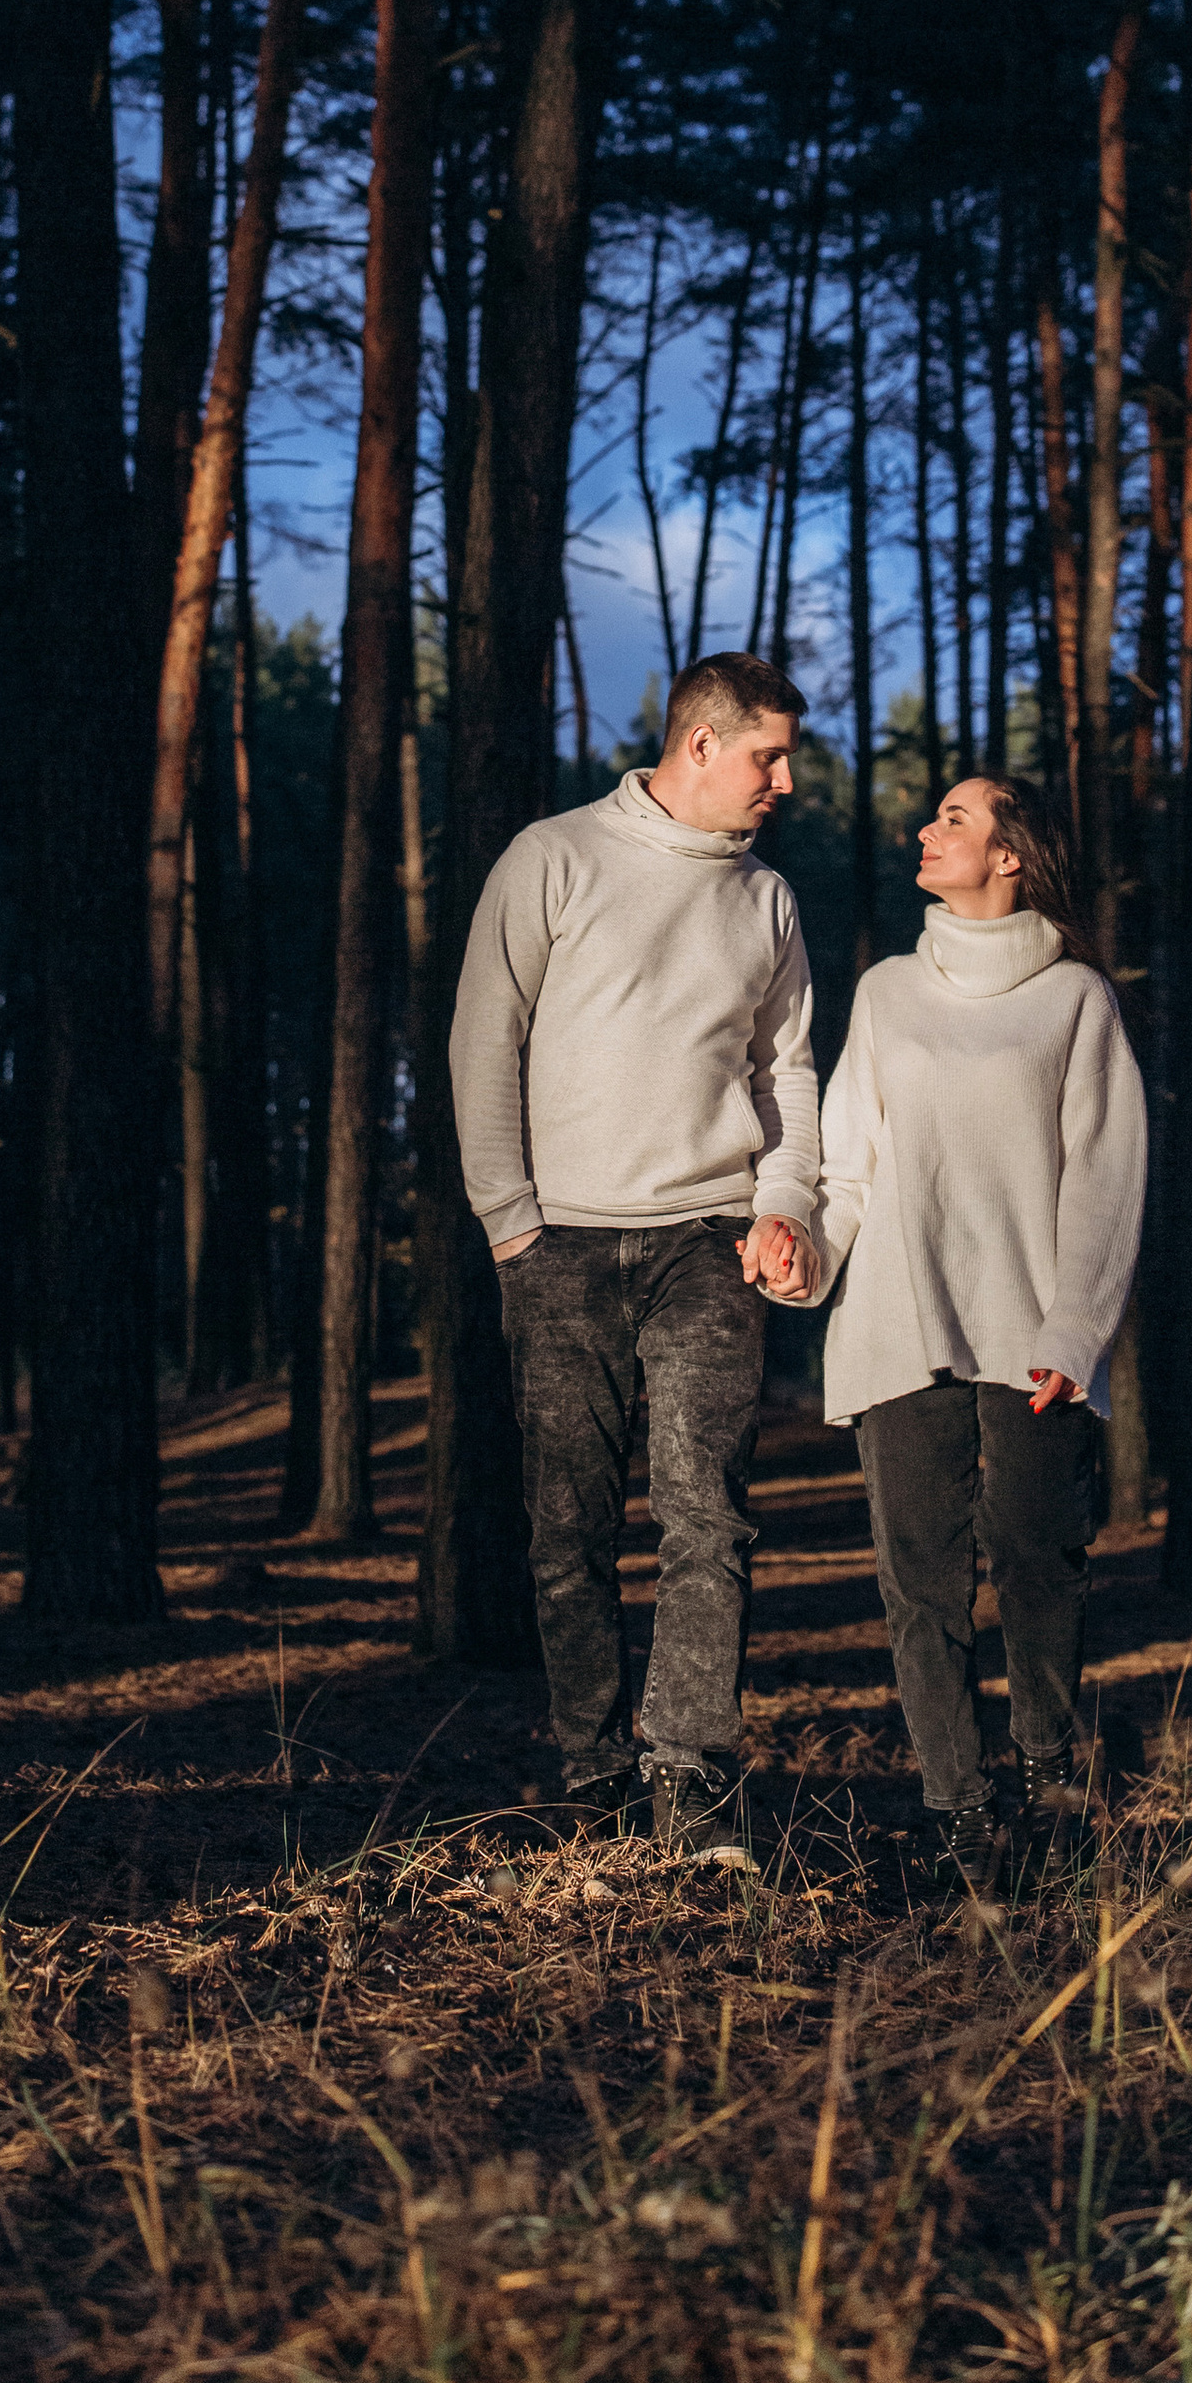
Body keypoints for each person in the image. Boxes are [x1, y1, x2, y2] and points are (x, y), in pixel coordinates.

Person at [451, 651, 820, 1855]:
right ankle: (593, 1774)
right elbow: (482, 1035)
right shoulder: (551, 857)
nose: (785, 779)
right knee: (566, 1531)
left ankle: (693, 1784)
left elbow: (787, 1074)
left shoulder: (765, 899)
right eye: (769, 754)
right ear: (700, 744)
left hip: (707, 1246)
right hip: (557, 1246)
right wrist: (509, 1217)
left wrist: (785, 1205)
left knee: (705, 1517)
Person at [774, 771, 1144, 1881]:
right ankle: (959, 1818)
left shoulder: (1077, 1001)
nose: (924, 831)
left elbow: (1106, 1178)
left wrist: (1076, 1329)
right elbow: (847, 1165)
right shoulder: (888, 993)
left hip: (1033, 1333)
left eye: (952, 818)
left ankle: (1048, 1789)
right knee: (919, 1586)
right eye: (932, 817)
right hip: (898, 1317)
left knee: (1039, 1563)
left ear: (1012, 854)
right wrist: (806, 1249)